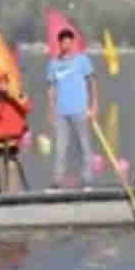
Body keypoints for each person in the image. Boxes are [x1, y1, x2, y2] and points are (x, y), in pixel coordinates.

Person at [45, 29, 99, 188]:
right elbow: (51, 89)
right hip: (61, 112)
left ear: (72, 42)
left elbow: (92, 83)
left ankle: (87, 179)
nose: (66, 43)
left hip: (80, 109)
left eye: (69, 40)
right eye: (63, 41)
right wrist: (50, 110)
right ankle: (57, 180)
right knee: (60, 147)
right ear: (59, 44)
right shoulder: (54, 64)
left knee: (84, 145)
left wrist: (94, 105)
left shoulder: (82, 61)